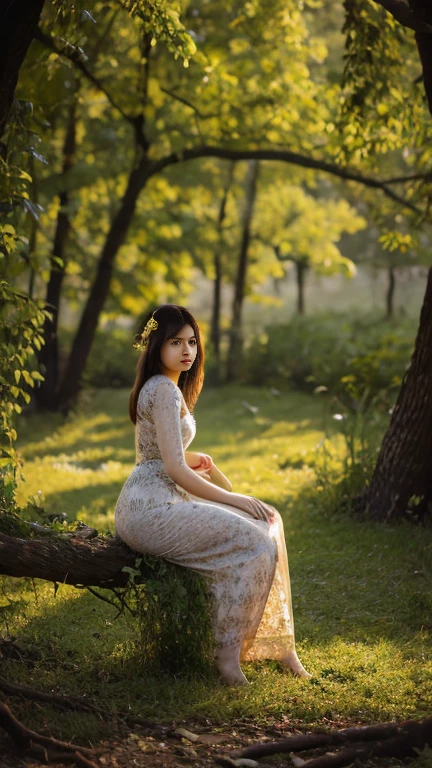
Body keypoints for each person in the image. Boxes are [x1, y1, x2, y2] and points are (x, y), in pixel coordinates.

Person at [114, 304, 311, 685]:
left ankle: (281, 643)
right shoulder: (163, 390)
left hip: (158, 497)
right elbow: (171, 469)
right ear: (156, 345)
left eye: (191, 342)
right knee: (255, 541)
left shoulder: (162, 387)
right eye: (176, 342)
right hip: (150, 508)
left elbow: (158, 454)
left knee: (268, 519)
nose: (187, 350)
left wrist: (195, 457)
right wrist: (232, 499)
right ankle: (227, 658)